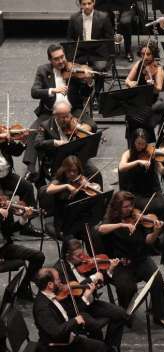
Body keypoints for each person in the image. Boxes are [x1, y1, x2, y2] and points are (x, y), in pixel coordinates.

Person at [96, 191, 164, 329]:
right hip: (121, 263)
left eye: (131, 205)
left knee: (157, 279)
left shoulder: (137, 218)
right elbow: (100, 229)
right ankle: (124, 313)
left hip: (140, 258)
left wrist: (155, 231)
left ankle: (160, 315)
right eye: (126, 206)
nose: (130, 209)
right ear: (117, 207)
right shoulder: (111, 219)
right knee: (127, 287)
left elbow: (148, 241)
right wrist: (122, 225)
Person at [27, 44, 94, 180]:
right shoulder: (43, 70)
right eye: (56, 59)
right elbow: (34, 92)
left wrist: (88, 81)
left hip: (72, 110)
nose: (61, 61)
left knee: (91, 125)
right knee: (33, 131)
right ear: (50, 60)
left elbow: (85, 93)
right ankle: (31, 169)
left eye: (62, 57)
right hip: (51, 112)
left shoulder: (74, 70)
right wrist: (52, 90)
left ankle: (81, 158)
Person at [58, 239, 129, 352]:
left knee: (121, 313)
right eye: (78, 255)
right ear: (67, 256)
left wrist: (109, 270)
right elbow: (73, 290)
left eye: (83, 253)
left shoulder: (83, 263)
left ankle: (110, 348)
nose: (83, 258)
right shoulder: (61, 271)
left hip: (90, 302)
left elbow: (99, 283)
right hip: (77, 308)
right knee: (95, 326)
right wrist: (91, 278)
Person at [118, 128, 164, 224]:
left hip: (152, 190)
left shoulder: (151, 151)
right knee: (157, 207)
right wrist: (138, 162)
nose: (141, 147)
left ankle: (163, 231)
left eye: (143, 144)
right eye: (138, 143)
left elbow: (162, 171)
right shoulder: (128, 153)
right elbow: (121, 167)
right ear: (133, 142)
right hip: (135, 193)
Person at [42, 155, 103, 239]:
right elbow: (49, 190)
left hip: (77, 217)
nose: (72, 174)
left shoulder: (81, 178)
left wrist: (85, 183)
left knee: (92, 233)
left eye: (75, 171)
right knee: (72, 238)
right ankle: (68, 250)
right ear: (64, 170)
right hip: (63, 221)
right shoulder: (60, 179)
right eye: (69, 171)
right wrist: (66, 186)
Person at [0, 192, 45, 301]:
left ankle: (23, 289)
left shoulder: (5, 209)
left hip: (4, 247)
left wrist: (24, 218)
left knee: (38, 256)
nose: (2, 203)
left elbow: (9, 230)